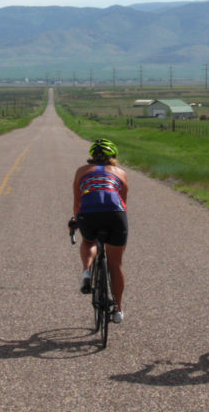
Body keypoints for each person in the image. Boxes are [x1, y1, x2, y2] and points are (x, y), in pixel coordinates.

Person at [72, 138, 129, 324]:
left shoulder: (81, 171)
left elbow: (77, 202)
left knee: (89, 241)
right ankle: (119, 310)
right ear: (113, 156)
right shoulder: (120, 173)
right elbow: (123, 201)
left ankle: (87, 271)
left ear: (92, 156)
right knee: (116, 264)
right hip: (115, 214)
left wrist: (76, 221)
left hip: (89, 214)